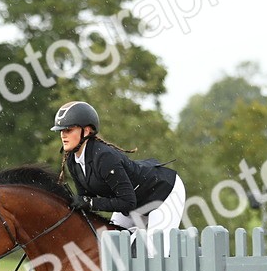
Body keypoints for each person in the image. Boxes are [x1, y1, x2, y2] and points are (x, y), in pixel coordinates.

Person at [52, 101, 186, 244]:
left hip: (162, 194)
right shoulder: (73, 160)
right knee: (112, 242)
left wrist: (90, 203)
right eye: (61, 131)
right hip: (132, 202)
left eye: (68, 130)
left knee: (155, 252)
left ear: (86, 131)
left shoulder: (104, 157)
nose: (63, 135)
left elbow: (126, 202)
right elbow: (86, 200)